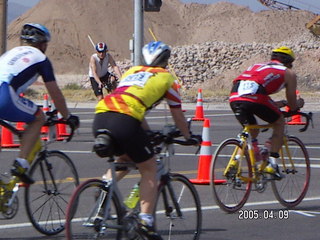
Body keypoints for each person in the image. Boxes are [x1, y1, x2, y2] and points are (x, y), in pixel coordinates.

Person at [92, 41, 201, 240]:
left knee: (124, 160)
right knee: (150, 168)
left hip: (100, 116)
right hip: (125, 121)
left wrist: (147, 133)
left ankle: (104, 190)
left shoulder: (131, 72)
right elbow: (177, 114)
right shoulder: (167, 78)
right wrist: (188, 136)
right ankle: (146, 222)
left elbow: (133, 104)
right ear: (165, 61)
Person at [0, 23, 80, 184]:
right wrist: (68, 116)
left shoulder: (10, 53)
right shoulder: (41, 59)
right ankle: (21, 164)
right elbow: (55, 93)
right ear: (42, 44)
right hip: (3, 93)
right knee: (38, 117)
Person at [229, 46, 304, 179]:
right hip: (256, 96)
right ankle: (272, 164)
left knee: (251, 130)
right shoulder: (288, 73)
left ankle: (236, 160)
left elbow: (257, 92)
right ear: (289, 62)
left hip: (235, 95)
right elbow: (292, 104)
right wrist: (297, 104)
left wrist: (280, 103)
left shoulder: (258, 66)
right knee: (279, 121)